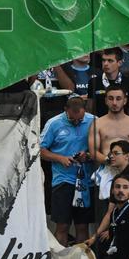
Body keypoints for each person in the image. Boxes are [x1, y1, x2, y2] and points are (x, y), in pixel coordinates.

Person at [40, 94, 94, 245]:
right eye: (72, 119)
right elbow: (40, 150)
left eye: (80, 120)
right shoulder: (54, 123)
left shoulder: (94, 121)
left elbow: (102, 148)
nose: (76, 122)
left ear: (85, 110)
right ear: (65, 110)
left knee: (82, 226)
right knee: (62, 225)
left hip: (85, 181)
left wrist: (88, 156)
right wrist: (60, 158)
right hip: (63, 180)